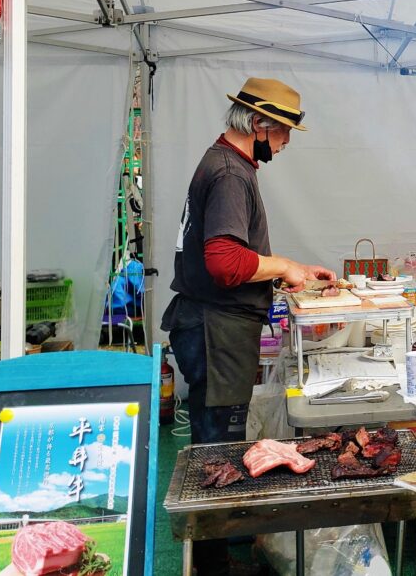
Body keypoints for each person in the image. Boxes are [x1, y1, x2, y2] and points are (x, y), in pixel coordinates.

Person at [161, 77, 335, 576]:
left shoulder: (228, 164)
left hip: (213, 324)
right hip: (215, 330)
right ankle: (213, 566)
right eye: (282, 131)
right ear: (258, 123)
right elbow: (223, 262)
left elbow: (236, 254)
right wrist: (280, 267)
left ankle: (216, 554)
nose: (286, 142)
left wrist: (291, 270)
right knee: (215, 450)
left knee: (214, 442)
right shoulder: (230, 173)